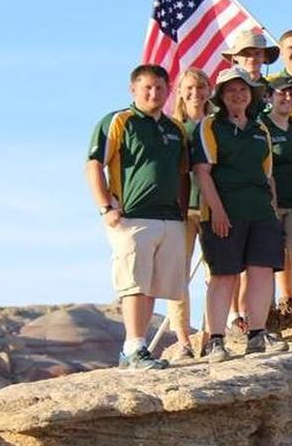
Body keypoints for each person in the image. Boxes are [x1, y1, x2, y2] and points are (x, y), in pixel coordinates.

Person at [86, 64, 189, 370]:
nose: (154, 93)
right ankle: (133, 347)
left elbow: (183, 173)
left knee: (154, 284)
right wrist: (106, 207)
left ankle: (138, 347)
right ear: (133, 89)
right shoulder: (119, 121)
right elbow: (93, 165)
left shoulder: (175, 128)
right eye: (147, 87)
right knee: (134, 283)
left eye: (160, 87)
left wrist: (182, 211)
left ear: (168, 90)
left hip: (169, 217)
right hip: (132, 215)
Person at [192, 68, 289, 361]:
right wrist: (218, 212)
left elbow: (267, 174)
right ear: (221, 95)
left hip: (260, 210)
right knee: (224, 275)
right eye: (231, 89)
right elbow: (202, 171)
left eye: (244, 89)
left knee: (261, 271)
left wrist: (273, 211)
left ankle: (257, 333)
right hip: (225, 210)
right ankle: (217, 339)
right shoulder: (210, 126)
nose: (238, 94)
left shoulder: (261, 130)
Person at [259, 77, 292, 340]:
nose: (288, 99)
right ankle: (269, 321)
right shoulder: (260, 125)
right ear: (269, 96)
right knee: (268, 261)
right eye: (282, 94)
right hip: (268, 204)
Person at [165, 68, 212, 361]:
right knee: (178, 275)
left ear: (209, 91)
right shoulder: (172, 127)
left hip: (213, 207)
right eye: (190, 87)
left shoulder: (216, 125)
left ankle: (209, 335)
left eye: (201, 87)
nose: (196, 93)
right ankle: (182, 339)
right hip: (179, 210)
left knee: (216, 274)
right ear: (180, 91)